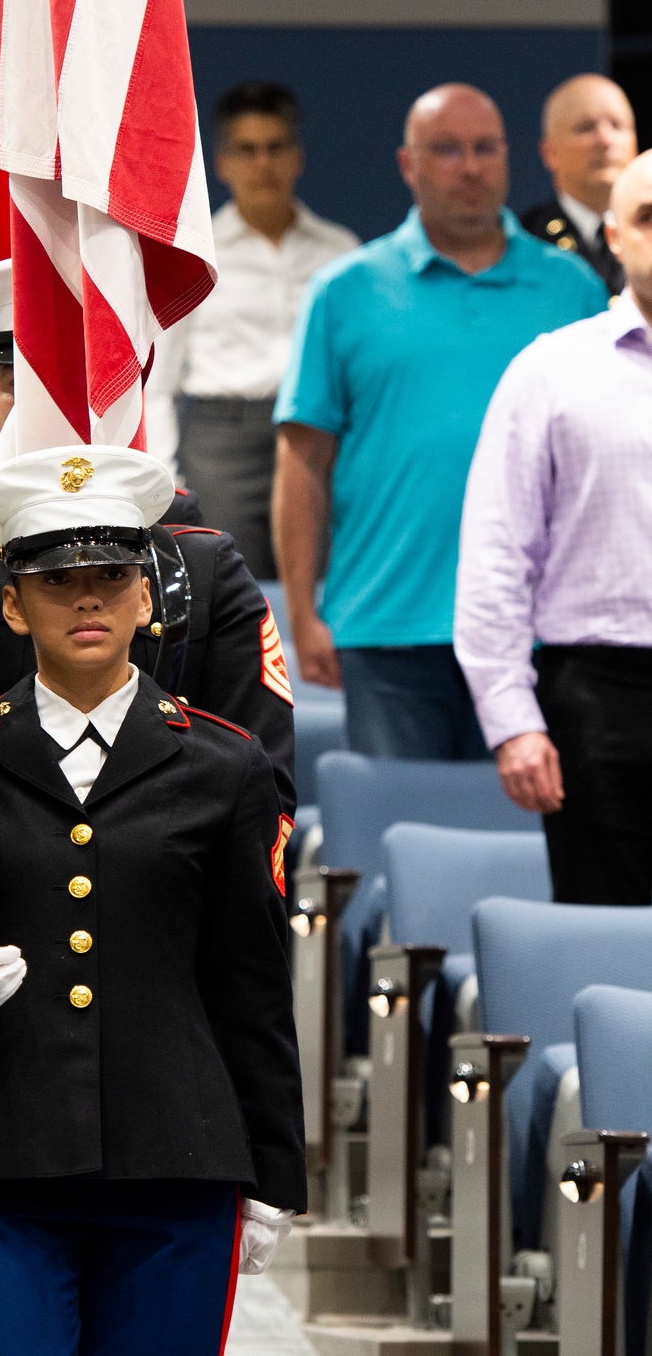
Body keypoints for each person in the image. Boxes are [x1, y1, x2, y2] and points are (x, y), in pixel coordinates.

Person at [0, 259, 298, 1354]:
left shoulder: (188, 556)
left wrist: (269, 1156)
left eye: (67, 375)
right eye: (11, 375)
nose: (35, 400)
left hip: (154, 1032)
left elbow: (246, 798)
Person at [272, 83, 608, 760]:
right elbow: (303, 463)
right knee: (394, 842)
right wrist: (303, 616)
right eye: (447, 150)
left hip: (540, 627)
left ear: (510, 157)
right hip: (388, 624)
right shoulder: (344, 291)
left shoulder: (572, 287)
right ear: (407, 164)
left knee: (530, 854)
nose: (470, 167)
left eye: (486, 148)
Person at [455, 149, 652, 904]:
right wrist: (513, 721)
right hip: (599, 699)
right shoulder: (552, 372)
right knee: (611, 947)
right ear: (613, 237)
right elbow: (496, 556)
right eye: (647, 217)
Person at [145, 82, 357, 579]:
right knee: (235, 587)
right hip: (223, 440)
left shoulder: (340, 251)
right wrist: (164, 474)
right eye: (247, 150)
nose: (263, 164)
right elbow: (159, 378)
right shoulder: (196, 254)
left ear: (298, 157)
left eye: (276, 147)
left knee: (322, 582)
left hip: (318, 433)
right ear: (222, 163)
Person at [520, 74, 636, 295]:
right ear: (549, 152)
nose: (605, 140)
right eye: (585, 128)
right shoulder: (526, 241)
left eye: (617, 125)